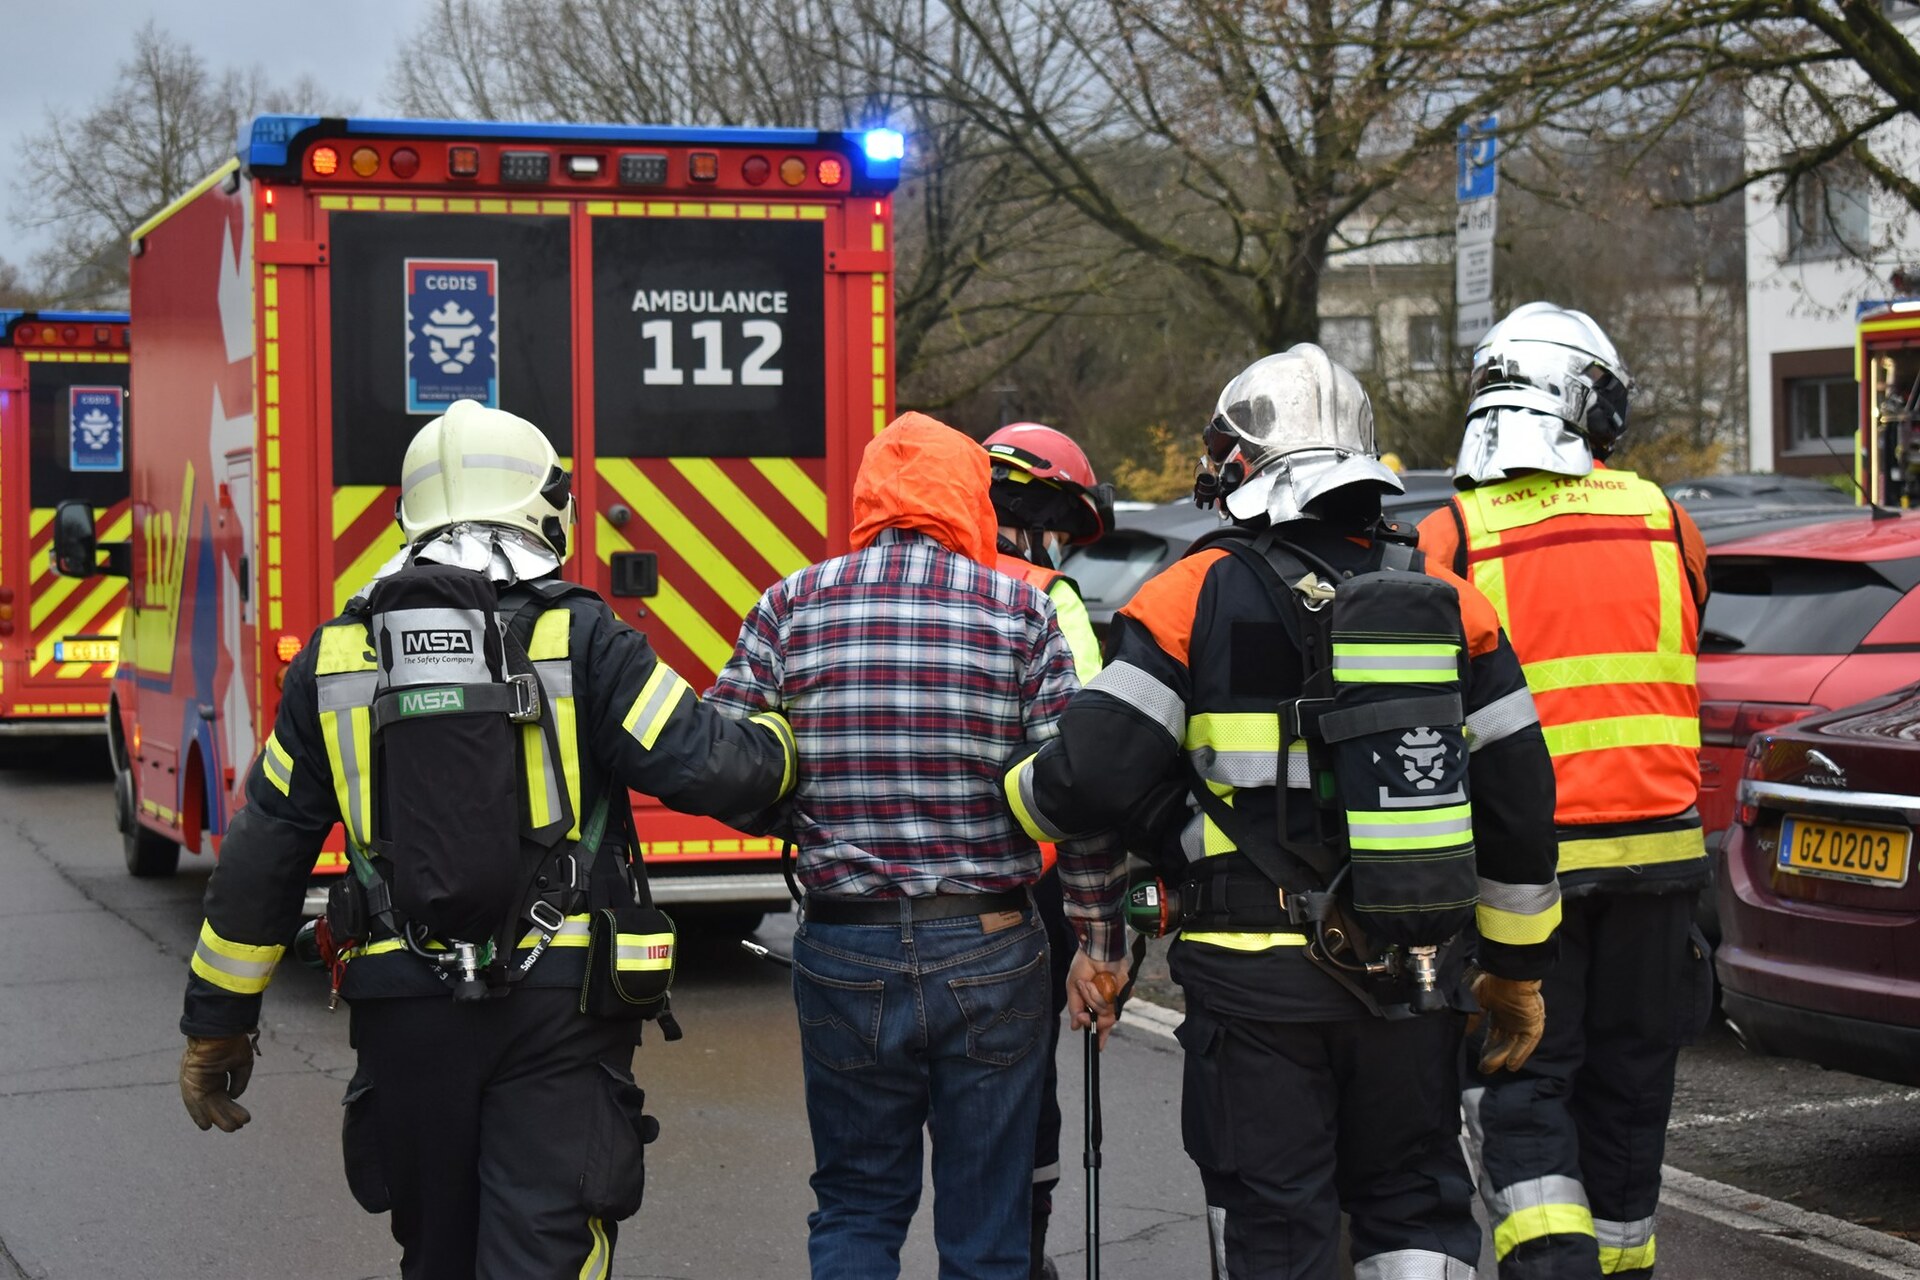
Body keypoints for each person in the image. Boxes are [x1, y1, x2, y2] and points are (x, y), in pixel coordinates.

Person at [176, 400, 796, 1280]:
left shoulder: (336, 657)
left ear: (407, 514)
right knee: (546, 1247)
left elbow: (264, 852)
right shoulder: (584, 637)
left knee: (436, 1255)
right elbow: (711, 769)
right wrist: (784, 746)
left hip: (399, 1008)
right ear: (547, 506)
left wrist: (217, 1026)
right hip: (561, 1002)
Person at [1003, 345, 1563, 1280]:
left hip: (1254, 990)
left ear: (1243, 467)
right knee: (1413, 1207)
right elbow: (1519, 803)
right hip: (1413, 974)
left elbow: (1090, 777)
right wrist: (1516, 969)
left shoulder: (1189, 594)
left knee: (1277, 1220)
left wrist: (1010, 785)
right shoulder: (1454, 604)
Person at [706, 411, 1123, 1280]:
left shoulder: (791, 604)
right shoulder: (1022, 610)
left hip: (843, 941)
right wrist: (1099, 942)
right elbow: (1071, 795)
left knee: (857, 1201)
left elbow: (726, 764)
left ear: (869, 498)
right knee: (987, 1216)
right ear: (970, 497)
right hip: (992, 947)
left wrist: (798, 815)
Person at [1418, 302, 1712, 1279]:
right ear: (1589, 402)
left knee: (1523, 1086)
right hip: (1662, 867)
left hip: (1522, 877)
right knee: (1630, 1094)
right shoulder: (1669, 520)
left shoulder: (1453, 533)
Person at [983, 420, 1113, 1279]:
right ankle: (1020, 1254)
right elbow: (1090, 758)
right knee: (1022, 1087)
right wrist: (1102, 935)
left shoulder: (905, 581)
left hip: (902, 885)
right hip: (1025, 887)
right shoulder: (1044, 595)